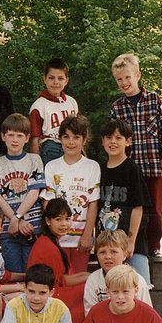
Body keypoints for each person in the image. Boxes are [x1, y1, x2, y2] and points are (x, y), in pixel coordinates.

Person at [109, 53, 162, 262]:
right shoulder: (117, 107)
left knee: (155, 208)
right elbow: (113, 138)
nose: (124, 82)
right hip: (129, 169)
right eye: (119, 79)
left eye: (127, 77)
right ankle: (130, 245)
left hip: (153, 165)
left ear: (137, 75)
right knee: (129, 209)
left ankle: (154, 246)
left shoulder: (154, 100)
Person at [0, 113, 45, 273]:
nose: (14, 140)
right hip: (9, 229)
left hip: (32, 227)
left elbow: (34, 191)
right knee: (13, 273)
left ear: (27, 137)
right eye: (10, 135)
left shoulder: (34, 159)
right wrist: (14, 220)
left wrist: (19, 218)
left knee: (33, 273)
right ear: (3, 136)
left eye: (19, 135)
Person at [41, 115, 100, 273]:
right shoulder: (51, 167)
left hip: (81, 238)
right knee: (60, 279)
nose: (71, 142)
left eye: (76, 137)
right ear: (60, 139)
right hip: (58, 237)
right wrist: (53, 233)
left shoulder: (92, 167)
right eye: (66, 137)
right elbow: (48, 202)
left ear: (84, 140)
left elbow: (93, 203)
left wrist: (88, 234)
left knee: (79, 279)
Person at [98, 119, 152, 283]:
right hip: (109, 246)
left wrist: (131, 241)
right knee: (113, 289)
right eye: (108, 137)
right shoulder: (99, 170)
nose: (113, 142)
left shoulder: (132, 169)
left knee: (140, 285)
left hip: (132, 244)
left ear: (128, 141)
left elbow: (138, 208)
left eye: (118, 138)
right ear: (103, 141)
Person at [27, 198, 90, 323]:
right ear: (48, 221)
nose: (64, 224)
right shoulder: (48, 246)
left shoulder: (50, 241)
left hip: (51, 290)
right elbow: (60, 281)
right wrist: (88, 277)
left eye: (67, 219)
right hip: (49, 294)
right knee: (87, 289)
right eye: (58, 219)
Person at [84, 230, 152, 316]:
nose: (108, 256)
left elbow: (146, 312)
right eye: (102, 252)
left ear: (124, 254)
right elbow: (90, 314)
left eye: (113, 252)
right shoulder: (93, 280)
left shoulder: (137, 280)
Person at [28, 58, 79, 166]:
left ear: (66, 80)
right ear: (45, 79)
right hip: (51, 149)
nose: (56, 82)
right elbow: (34, 139)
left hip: (71, 147)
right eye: (51, 78)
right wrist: (37, 165)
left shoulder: (72, 102)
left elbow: (79, 132)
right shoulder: (39, 106)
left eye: (60, 78)